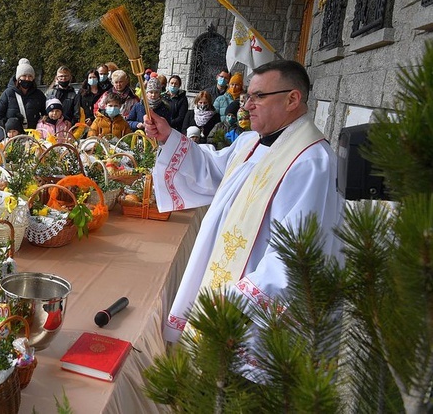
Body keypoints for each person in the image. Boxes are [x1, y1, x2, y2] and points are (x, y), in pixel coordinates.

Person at [143, 59, 343, 343]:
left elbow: (299, 254)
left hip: (253, 318)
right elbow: (214, 171)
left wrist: (235, 301)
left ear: (292, 99)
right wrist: (169, 137)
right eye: (248, 96)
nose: (247, 105)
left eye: (258, 96)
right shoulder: (250, 142)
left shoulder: (312, 163)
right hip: (224, 289)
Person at [0, 59, 46, 131]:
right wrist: (2, 137)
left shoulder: (39, 95)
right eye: (24, 75)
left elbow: (46, 113)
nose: (27, 79)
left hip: (34, 136)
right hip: (13, 137)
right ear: (18, 78)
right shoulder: (8, 93)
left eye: (30, 76)